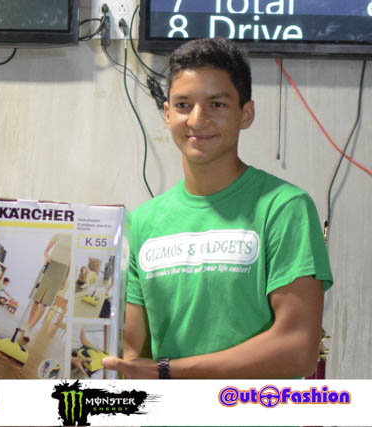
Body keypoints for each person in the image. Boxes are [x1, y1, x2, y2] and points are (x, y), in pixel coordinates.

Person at [102, 38, 333, 379]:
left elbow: (297, 349)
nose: (198, 119)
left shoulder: (284, 207)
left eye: (217, 104)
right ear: (167, 114)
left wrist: (169, 372)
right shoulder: (145, 221)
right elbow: (133, 354)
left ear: (245, 114)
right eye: (183, 105)